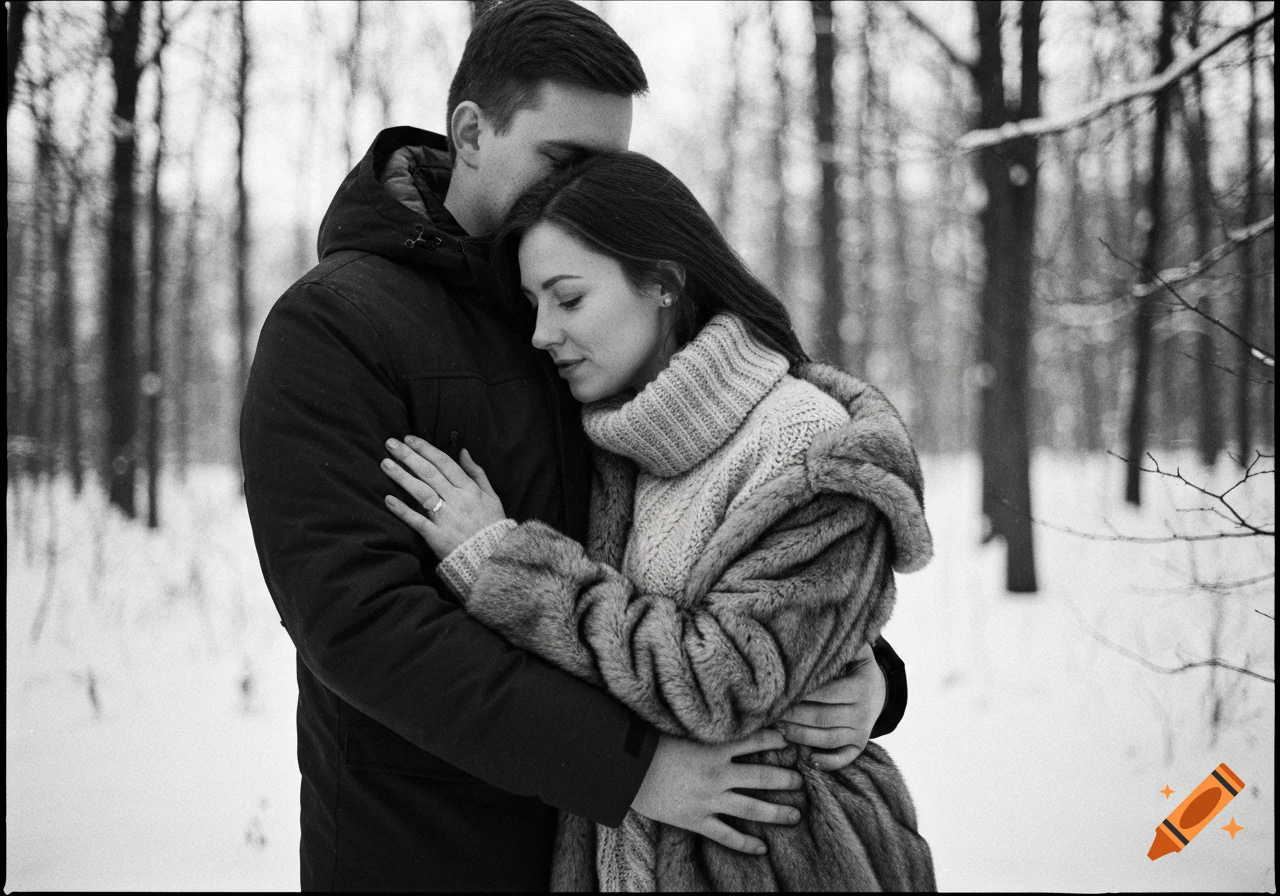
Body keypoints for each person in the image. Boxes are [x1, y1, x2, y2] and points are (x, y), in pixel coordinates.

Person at [240, 0, 908, 890]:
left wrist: (859, 675)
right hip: (430, 845)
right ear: (471, 131)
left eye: (610, 166)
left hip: (616, 852)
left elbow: (707, 546)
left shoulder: (602, 320)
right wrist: (630, 768)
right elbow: (359, 624)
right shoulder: (336, 326)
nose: (587, 190)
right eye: (565, 159)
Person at [379, 150, 937, 891]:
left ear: (664, 283)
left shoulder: (804, 440)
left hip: (787, 857)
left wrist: (506, 566)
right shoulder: (623, 439)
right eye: (533, 303)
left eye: (568, 298)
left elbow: (725, 680)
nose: (542, 333)